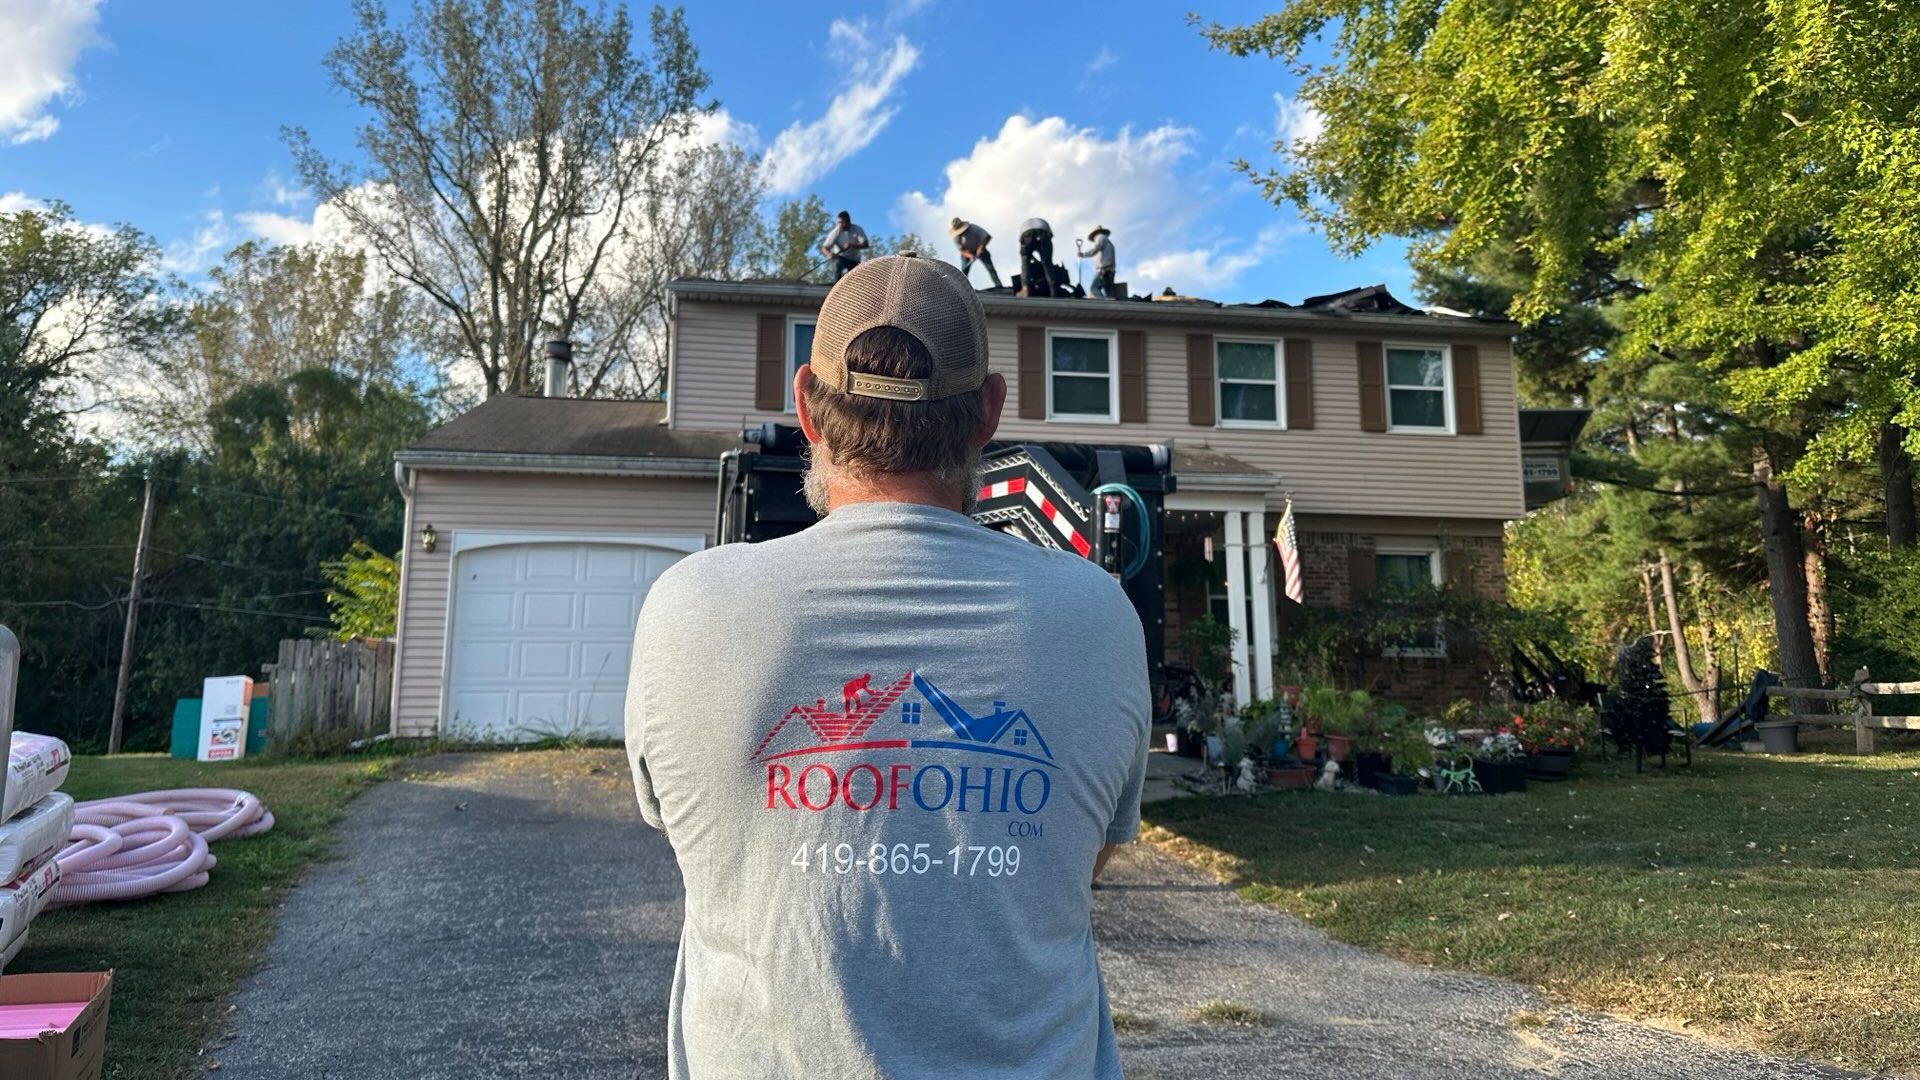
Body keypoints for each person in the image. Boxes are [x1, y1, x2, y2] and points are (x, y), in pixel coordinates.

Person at [625, 252, 1150, 1080]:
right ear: (988, 412)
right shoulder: (1099, 615)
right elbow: (1075, 862)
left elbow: (704, 838)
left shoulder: (687, 606)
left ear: (807, 405)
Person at [949, 216, 1001, 287]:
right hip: (967, 253)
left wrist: (980, 248)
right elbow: (962, 250)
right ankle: (963, 288)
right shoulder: (956, 237)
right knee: (964, 271)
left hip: (980, 248)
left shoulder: (973, 228)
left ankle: (998, 285)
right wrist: (970, 256)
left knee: (990, 268)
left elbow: (987, 236)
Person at [818, 210, 870, 282]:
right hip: (841, 257)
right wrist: (829, 254)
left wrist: (852, 245)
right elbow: (824, 248)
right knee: (838, 265)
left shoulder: (857, 229)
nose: (840, 225)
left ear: (849, 221)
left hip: (854, 260)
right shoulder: (836, 231)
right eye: (839, 222)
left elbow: (866, 244)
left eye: (843, 222)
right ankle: (836, 285)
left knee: (854, 279)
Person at [1018, 217, 1056, 297]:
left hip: (1026, 233)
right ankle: (1053, 289)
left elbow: (1025, 253)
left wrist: (1030, 257)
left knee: (1025, 261)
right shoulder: (1042, 225)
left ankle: (1025, 288)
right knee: (1047, 262)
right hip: (1044, 232)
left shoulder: (1027, 225)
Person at [1077, 225, 1116, 299]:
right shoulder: (1108, 242)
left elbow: (1095, 249)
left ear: (1095, 234)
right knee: (1108, 292)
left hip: (1104, 269)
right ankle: (1110, 303)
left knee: (1093, 288)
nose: (1094, 239)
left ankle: (1104, 304)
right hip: (1110, 270)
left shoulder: (1100, 237)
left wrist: (1083, 254)